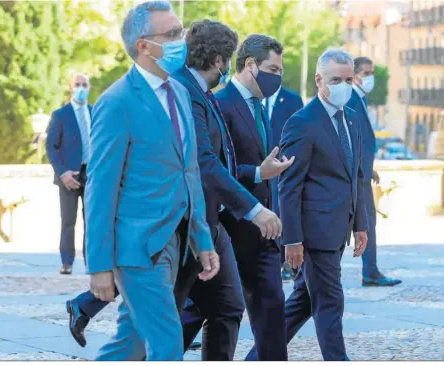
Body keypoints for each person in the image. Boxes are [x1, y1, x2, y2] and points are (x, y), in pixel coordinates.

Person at [64, 19, 285, 360]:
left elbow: (203, 165)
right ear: (220, 60)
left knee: (222, 307)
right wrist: (254, 209)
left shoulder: (191, 92)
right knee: (154, 333)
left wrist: (206, 234)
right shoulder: (166, 94)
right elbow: (201, 164)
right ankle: (88, 307)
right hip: (162, 229)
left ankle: (88, 309)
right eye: (170, 35)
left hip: (199, 226)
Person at [84, 1, 219, 361]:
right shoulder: (116, 102)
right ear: (144, 45)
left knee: (130, 343)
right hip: (136, 248)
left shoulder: (178, 92)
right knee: (167, 341)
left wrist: (201, 239)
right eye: (173, 34)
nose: (183, 41)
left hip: (173, 240)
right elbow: (100, 189)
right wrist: (98, 265)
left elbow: (189, 171)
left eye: (182, 32)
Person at [246, 47, 368, 361]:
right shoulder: (302, 122)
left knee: (303, 301)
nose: (343, 85)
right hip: (314, 233)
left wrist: (361, 225)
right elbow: (288, 185)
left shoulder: (351, 119)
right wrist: (293, 239)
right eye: (335, 79)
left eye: (348, 79)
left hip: (338, 228)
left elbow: (355, 175)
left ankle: (256, 357)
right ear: (319, 79)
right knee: (330, 302)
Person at [214, 34, 292, 361]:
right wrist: (258, 173)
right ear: (250, 65)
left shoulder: (261, 107)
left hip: (263, 234)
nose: (277, 77)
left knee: (273, 310)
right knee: (212, 314)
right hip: (229, 230)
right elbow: (215, 169)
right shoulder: (220, 103)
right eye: (272, 68)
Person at [348, 56, 402, 287]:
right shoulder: (351, 98)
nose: (371, 77)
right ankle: (370, 272)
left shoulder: (360, 99)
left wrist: (371, 169)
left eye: (372, 72)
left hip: (362, 172)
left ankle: (371, 270)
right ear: (356, 74)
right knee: (364, 222)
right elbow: (352, 137)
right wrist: (362, 168)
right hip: (355, 176)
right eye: (367, 72)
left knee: (367, 223)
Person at [46, 73, 92, 275]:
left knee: (92, 220)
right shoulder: (61, 115)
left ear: (89, 87)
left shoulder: (95, 112)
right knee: (68, 220)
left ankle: (93, 262)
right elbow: (51, 146)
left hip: (91, 173)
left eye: (84, 85)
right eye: (77, 85)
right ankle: (67, 261)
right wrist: (63, 173)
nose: (81, 88)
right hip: (69, 175)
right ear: (71, 88)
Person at [263, 86, 304, 281]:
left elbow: (301, 133)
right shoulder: (254, 96)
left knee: (281, 212)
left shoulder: (292, 99)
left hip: (283, 166)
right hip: (258, 166)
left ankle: (285, 262)